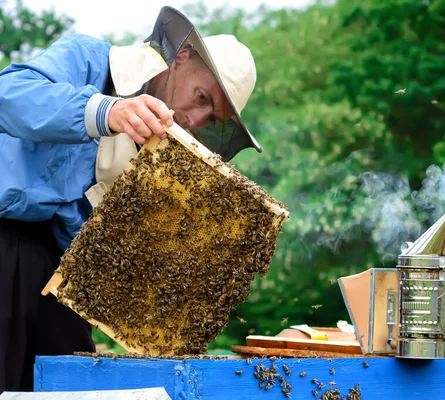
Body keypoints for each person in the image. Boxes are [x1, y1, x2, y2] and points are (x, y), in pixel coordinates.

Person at [0, 6, 262, 393]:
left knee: (71, 385)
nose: (196, 118)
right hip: (5, 239)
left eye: (212, 118)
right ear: (182, 59)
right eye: (202, 96)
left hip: (60, 273)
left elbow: (92, 235)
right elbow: (9, 95)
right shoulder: (89, 58)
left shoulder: (160, 155)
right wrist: (108, 110)